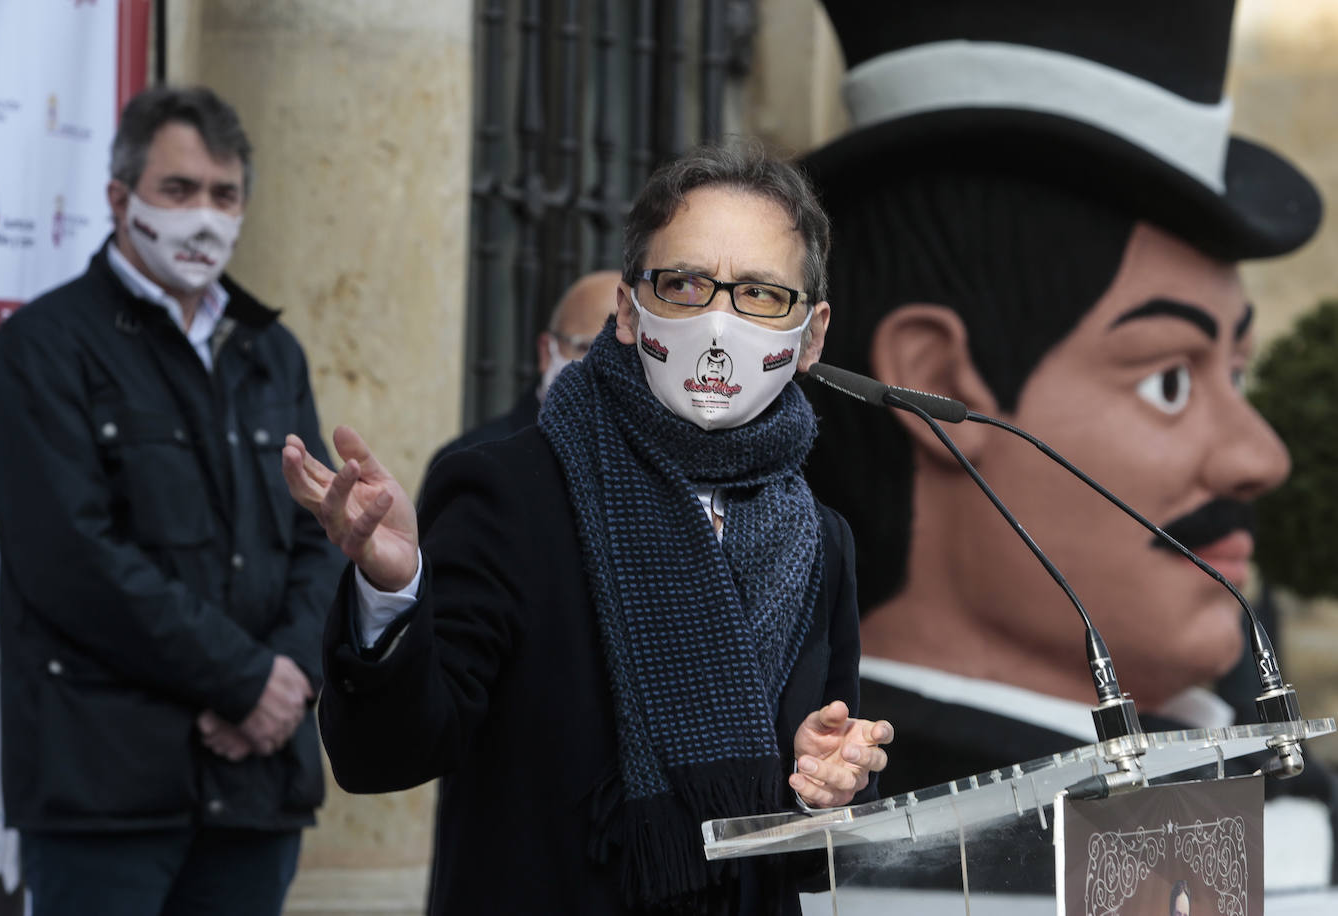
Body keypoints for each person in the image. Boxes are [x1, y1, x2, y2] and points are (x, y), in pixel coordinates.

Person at [800, 0, 1337, 892]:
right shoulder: (872, 854)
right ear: (937, 386)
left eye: (1233, 373)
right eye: (1169, 378)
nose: (1260, 457)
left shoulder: (1270, 803)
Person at [283, 142, 893, 914]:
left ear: (812, 336)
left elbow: (816, 847)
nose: (719, 323)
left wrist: (823, 790)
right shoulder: (512, 492)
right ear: (630, 312)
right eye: (684, 284)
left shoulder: (817, 538)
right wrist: (393, 586)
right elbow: (387, 753)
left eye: (762, 295)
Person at [0, 86, 340, 915]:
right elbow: (71, 559)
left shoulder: (270, 351)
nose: (203, 217)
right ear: (118, 197)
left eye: (224, 194)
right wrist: (244, 680)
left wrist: (290, 683)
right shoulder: (45, 348)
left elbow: (315, 536)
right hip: (106, 793)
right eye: (178, 191)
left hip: (255, 791)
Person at [420, 269, 619, 479]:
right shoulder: (471, 461)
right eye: (586, 348)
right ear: (546, 352)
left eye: (622, 355)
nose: (605, 368)